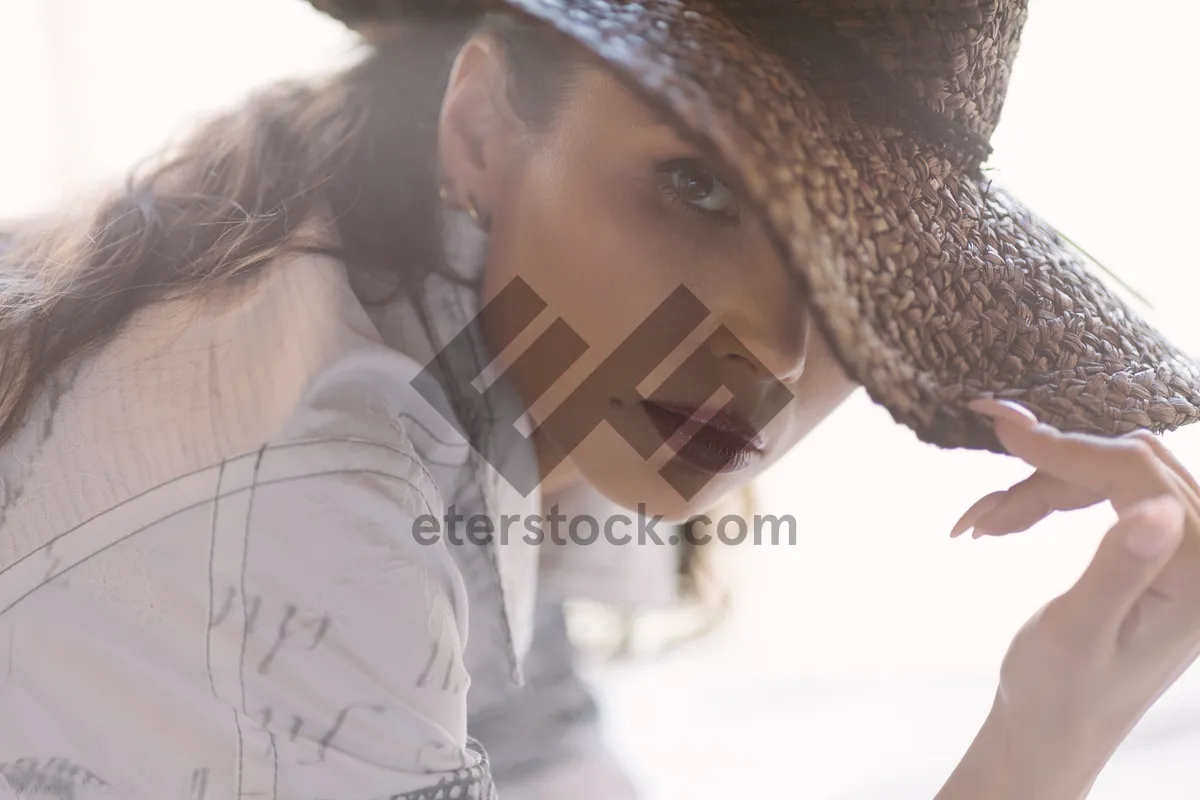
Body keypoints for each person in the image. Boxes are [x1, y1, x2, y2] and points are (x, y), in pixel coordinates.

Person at [1, 1, 1200, 798]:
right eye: (696, 187)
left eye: (854, 274)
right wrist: (1045, 742)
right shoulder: (309, 509)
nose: (775, 357)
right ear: (478, 127)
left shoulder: (472, 347)